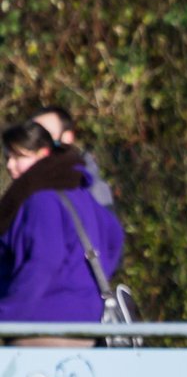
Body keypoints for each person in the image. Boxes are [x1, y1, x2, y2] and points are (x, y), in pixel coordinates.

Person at [0, 121, 125, 346]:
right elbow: (115, 237)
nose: (10, 165)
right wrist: (85, 283)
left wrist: (8, 312)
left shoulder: (41, 198)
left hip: (41, 324)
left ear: (43, 154)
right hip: (85, 320)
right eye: (8, 157)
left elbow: (44, 262)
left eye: (19, 157)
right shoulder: (78, 191)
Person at [31, 105, 115, 211]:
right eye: (33, 138)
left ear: (67, 137)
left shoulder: (92, 189)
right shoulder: (28, 188)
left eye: (46, 136)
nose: (38, 145)